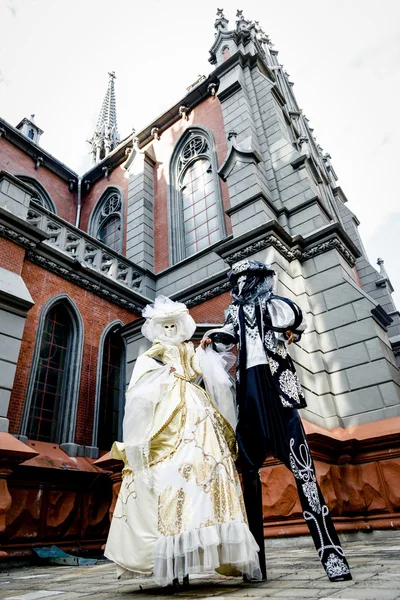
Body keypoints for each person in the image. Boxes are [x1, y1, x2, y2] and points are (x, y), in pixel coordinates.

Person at [201, 259, 352, 582]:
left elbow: (296, 317)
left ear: (259, 279)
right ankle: (255, 566)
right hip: (249, 397)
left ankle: (332, 556)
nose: (242, 285)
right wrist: (209, 339)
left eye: (248, 278)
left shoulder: (274, 306)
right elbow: (225, 338)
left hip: (279, 394)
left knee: (305, 475)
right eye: (237, 279)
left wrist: (287, 329)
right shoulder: (233, 314)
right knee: (249, 476)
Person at [105, 296, 261, 587]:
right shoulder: (153, 355)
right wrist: (163, 375)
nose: (170, 330)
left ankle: (188, 560)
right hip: (166, 412)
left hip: (196, 412)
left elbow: (204, 373)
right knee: (168, 474)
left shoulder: (189, 351)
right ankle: (171, 564)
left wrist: (203, 351)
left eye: (174, 325)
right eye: (165, 325)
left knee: (201, 471)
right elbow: (138, 389)